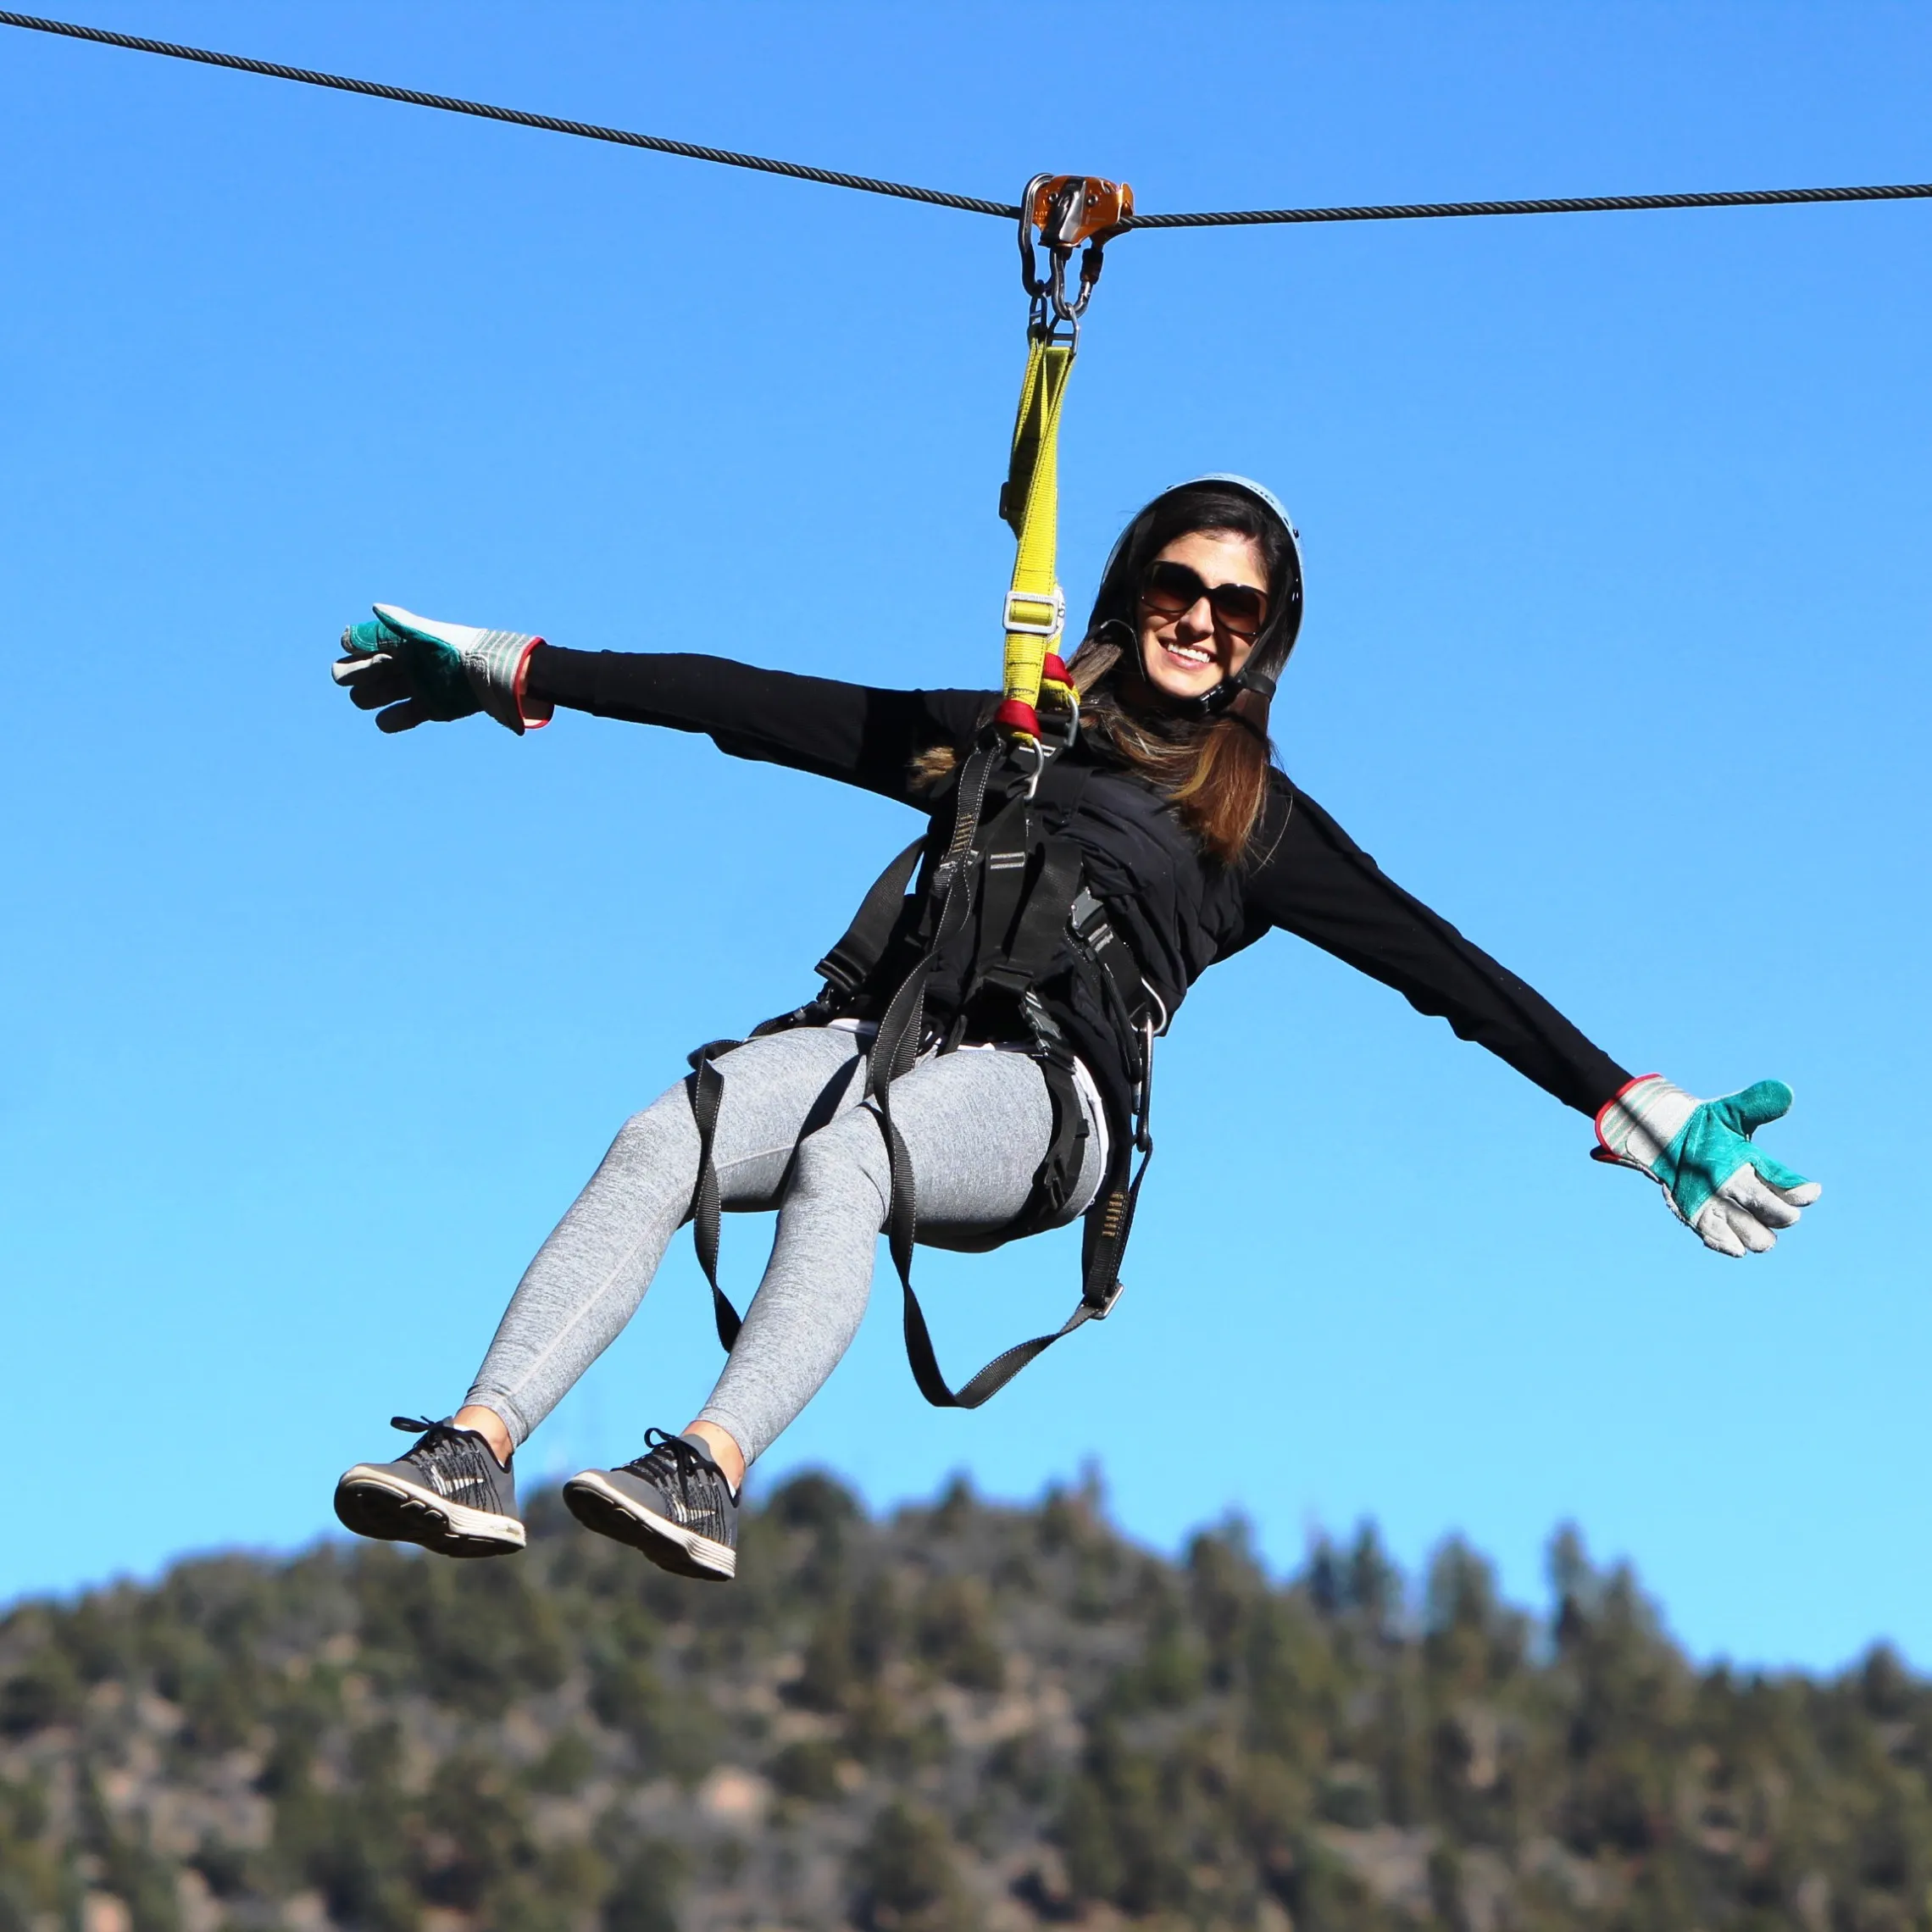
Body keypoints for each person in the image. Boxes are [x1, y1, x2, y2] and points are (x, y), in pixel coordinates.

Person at [326, 478, 1818, 1583]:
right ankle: (477, 1443)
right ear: (1131, 591)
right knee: (674, 1126)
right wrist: (527, 671)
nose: (1201, 620)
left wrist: (1632, 1105)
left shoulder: (1262, 826)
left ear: (1264, 646)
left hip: (1050, 1105)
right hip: (894, 1037)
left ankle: (709, 1473)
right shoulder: (1008, 736)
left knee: (856, 1163)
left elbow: (1448, 971)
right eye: (1180, 585)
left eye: (1237, 609)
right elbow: (765, 708)